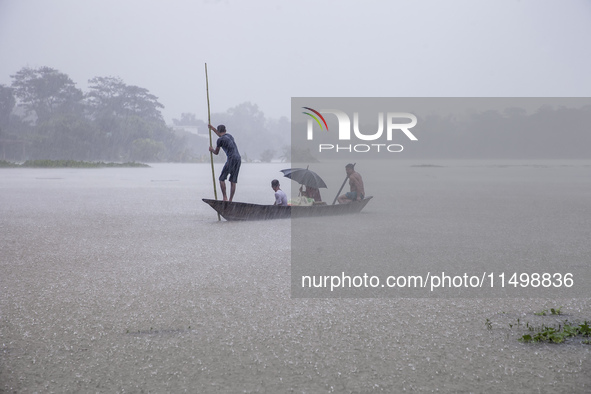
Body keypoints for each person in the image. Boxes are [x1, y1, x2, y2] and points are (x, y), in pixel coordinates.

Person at [208, 124, 241, 202]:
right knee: (233, 180)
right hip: (238, 159)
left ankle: (225, 198)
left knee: (221, 179)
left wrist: (211, 149)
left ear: (219, 131)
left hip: (231, 159)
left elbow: (216, 152)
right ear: (225, 131)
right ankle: (230, 200)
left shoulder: (220, 140)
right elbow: (220, 135)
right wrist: (212, 129)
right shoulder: (230, 136)